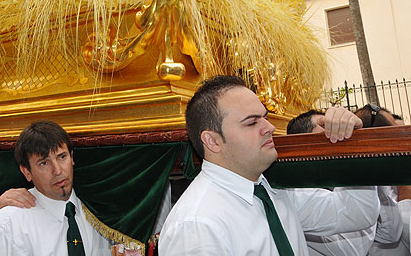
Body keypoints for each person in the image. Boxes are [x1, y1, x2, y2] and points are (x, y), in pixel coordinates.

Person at [159, 75, 380, 256]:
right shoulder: (197, 224)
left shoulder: (274, 190)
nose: (269, 127)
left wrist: (349, 143)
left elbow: (356, 213)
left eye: (265, 117)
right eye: (252, 122)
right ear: (213, 141)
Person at [0, 121, 112, 256]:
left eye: (62, 157)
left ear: (72, 157)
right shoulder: (6, 227)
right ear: (27, 172)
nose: (58, 171)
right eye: (44, 163)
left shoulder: (102, 213)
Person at [287, 108, 403, 256]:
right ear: (301, 146)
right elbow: (350, 250)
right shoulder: (298, 194)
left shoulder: (344, 183)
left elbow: (391, 234)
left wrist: (372, 167)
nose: (337, 138)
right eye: (328, 135)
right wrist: (355, 153)